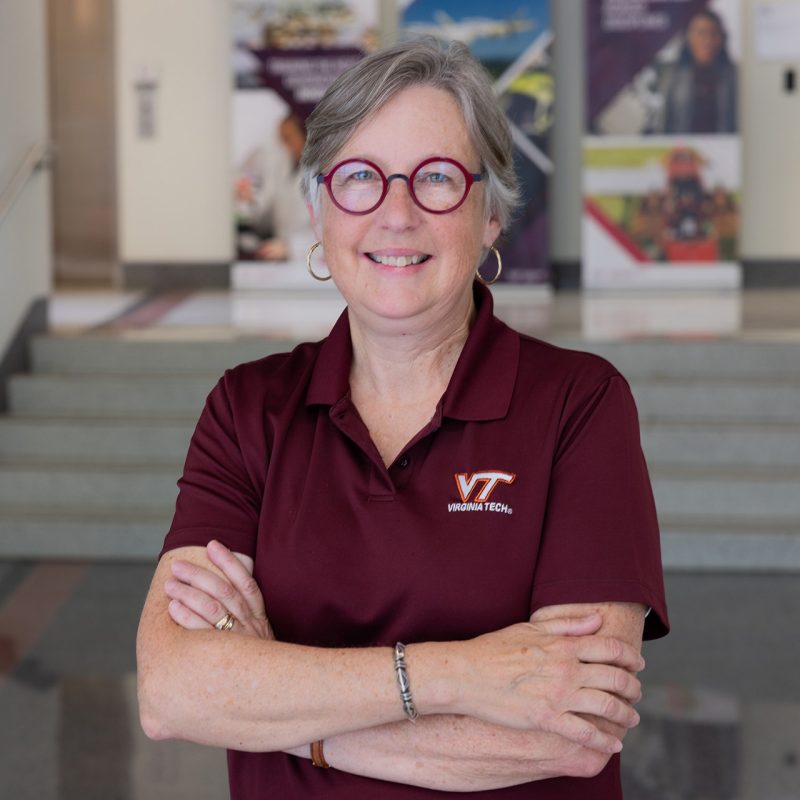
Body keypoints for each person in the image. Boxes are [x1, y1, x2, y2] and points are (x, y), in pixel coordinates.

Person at [137, 40, 669, 798]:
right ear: (320, 214)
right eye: (359, 178)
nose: (396, 214)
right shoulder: (248, 409)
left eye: (438, 179)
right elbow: (172, 691)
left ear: (490, 217)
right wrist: (463, 673)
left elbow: (572, 731)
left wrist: (284, 710)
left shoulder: (579, 404)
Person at [235, 112, 315, 260]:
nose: (283, 144)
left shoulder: (323, 172)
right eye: (281, 137)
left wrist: (291, 248)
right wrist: (250, 201)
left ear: (306, 136)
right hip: (281, 259)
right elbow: (269, 218)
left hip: (311, 261)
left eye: (288, 137)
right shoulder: (283, 167)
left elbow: (333, 233)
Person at [650, 9, 737, 134]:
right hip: (682, 149)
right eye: (701, 33)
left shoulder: (734, 76)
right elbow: (664, 123)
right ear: (688, 38)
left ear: (722, 38)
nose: (707, 40)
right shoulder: (672, 75)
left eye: (713, 33)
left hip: (726, 149)